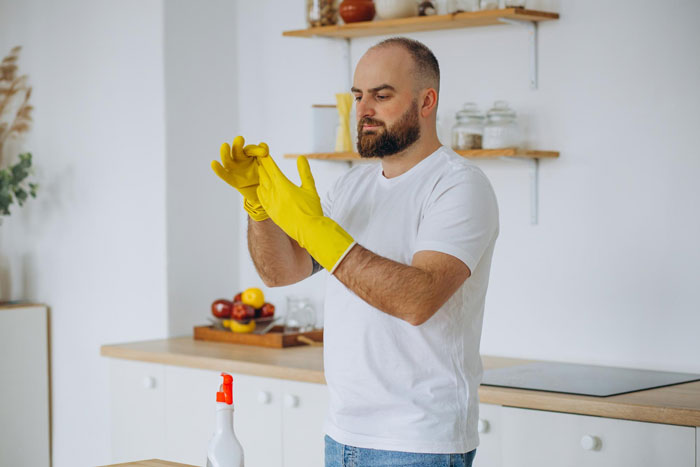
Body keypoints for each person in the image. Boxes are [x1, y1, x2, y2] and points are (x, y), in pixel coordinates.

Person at [212, 37, 499, 467]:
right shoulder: (351, 187)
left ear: (427, 101)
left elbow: (417, 300)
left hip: (418, 441)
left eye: (382, 96)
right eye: (358, 95)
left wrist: (317, 232)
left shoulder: (458, 186)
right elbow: (280, 271)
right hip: (342, 433)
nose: (364, 109)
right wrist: (259, 208)